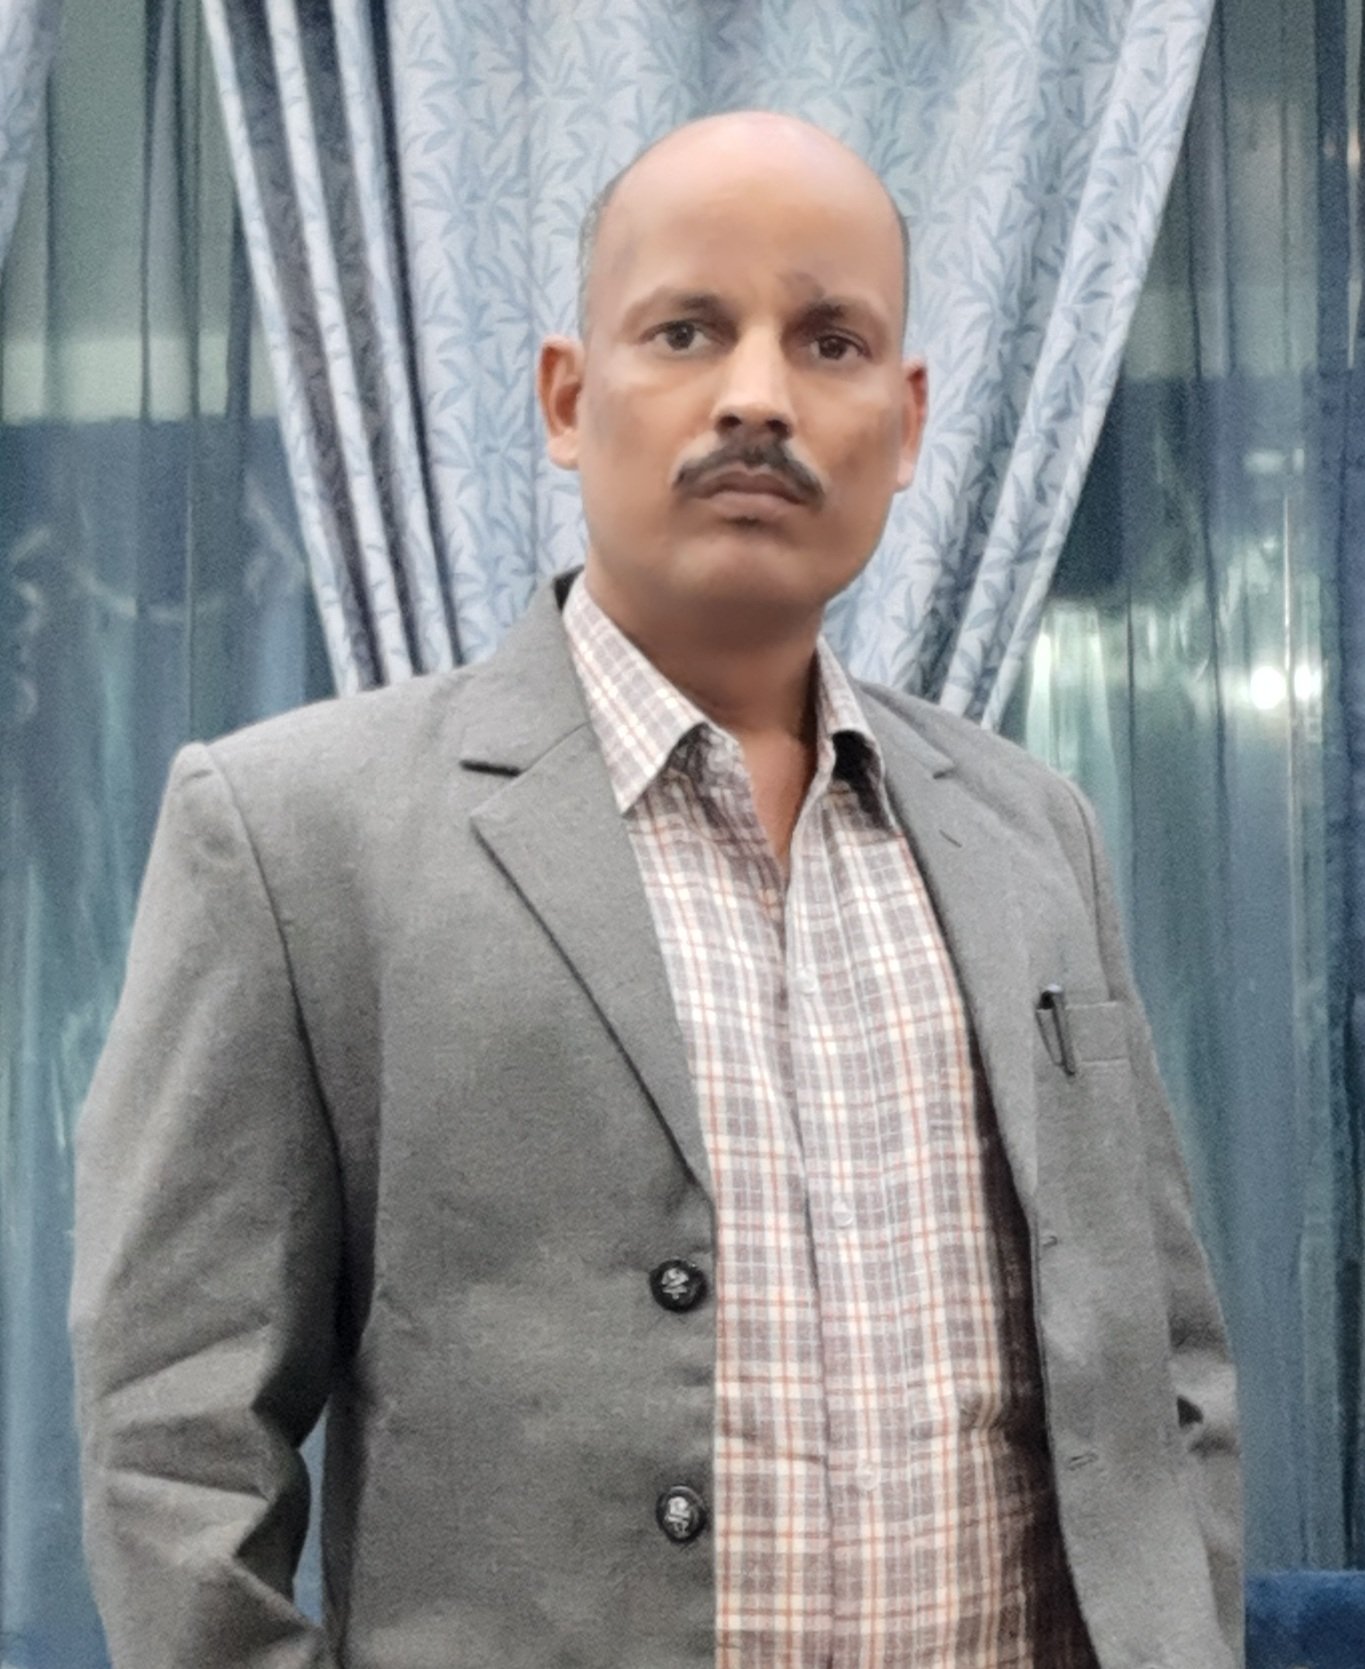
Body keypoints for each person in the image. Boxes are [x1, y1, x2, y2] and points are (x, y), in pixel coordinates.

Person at [70, 110, 1241, 1668]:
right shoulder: (298, 832)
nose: (756, 394)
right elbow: (175, 1435)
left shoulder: (1032, 828)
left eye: (829, 341)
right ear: (568, 397)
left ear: (903, 422)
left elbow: (1162, 1361)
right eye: (686, 329)